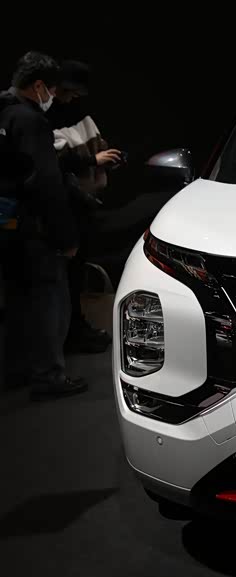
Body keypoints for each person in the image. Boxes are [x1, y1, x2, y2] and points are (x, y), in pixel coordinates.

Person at [0, 52, 87, 396]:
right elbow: (46, 184)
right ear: (38, 85)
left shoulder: (4, 112)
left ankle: (16, 370)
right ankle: (49, 376)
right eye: (51, 89)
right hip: (36, 227)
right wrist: (66, 237)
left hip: (9, 224)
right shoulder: (31, 121)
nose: (52, 96)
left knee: (17, 301)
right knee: (51, 300)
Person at [48, 60, 121, 353]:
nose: (71, 98)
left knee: (75, 273)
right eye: (69, 92)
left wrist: (106, 158)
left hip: (83, 202)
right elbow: (53, 162)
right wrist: (93, 160)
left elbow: (95, 146)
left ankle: (75, 329)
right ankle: (68, 335)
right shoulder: (43, 118)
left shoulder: (79, 114)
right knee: (64, 275)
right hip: (65, 203)